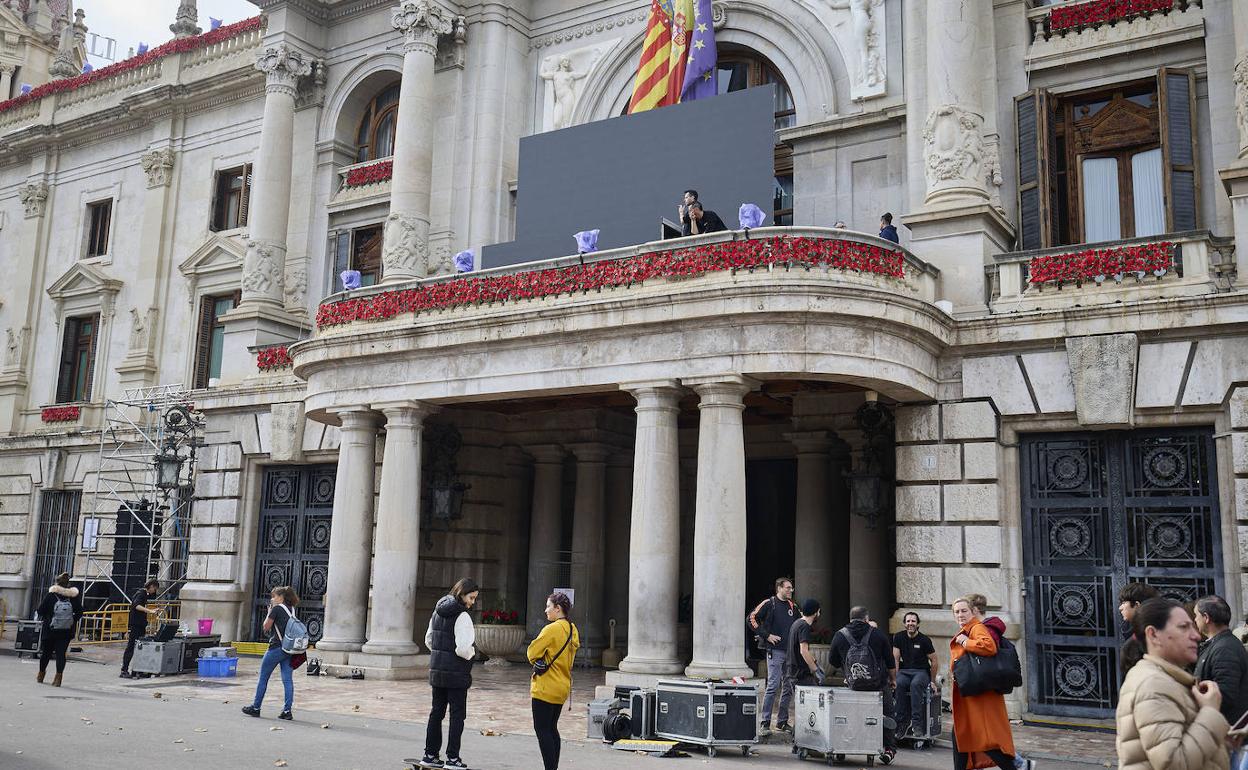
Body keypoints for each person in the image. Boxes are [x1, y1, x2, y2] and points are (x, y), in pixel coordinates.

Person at [1117, 597, 1230, 770]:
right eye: (1184, 627)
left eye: (1192, 626)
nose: (1196, 635)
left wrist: (1222, 740)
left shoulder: (1167, 679)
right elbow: (1175, 763)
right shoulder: (1153, 685)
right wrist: (1210, 712)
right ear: (1153, 635)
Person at [949, 596, 1031, 770]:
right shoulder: (967, 629)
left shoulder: (976, 628)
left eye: (964, 611)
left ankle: (1015, 767)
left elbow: (989, 646)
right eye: (957, 612)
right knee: (960, 735)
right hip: (970, 695)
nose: (960, 614)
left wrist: (966, 642)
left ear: (973, 612)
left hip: (979, 696)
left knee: (986, 739)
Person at [419, 578, 480, 770]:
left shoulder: (438, 611)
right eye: (471, 597)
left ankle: (430, 755)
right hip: (456, 673)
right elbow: (463, 648)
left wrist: (440, 654)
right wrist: (472, 654)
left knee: (436, 713)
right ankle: (453, 758)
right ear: (462, 594)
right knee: (457, 716)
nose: (472, 602)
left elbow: (429, 639)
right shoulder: (462, 616)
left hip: (437, 671)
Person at [829, 606, 897, 762]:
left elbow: (832, 661)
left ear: (850, 619)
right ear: (867, 619)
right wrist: (893, 680)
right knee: (888, 714)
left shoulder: (840, 635)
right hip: (878, 686)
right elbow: (890, 661)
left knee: (849, 716)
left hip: (854, 686)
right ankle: (889, 749)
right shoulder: (878, 635)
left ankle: (844, 746)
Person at [528, 592, 580, 770]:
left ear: (558, 609)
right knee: (552, 729)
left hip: (545, 686)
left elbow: (532, 652)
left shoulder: (552, 629)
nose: (546, 610)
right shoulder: (572, 629)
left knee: (542, 730)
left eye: (549, 606)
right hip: (562, 686)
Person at [747, 576, 799, 733]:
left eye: (791, 588)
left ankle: (782, 721)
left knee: (788, 686)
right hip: (775, 651)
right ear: (779, 588)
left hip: (789, 653)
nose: (790, 590)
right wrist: (766, 635)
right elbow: (751, 618)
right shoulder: (770, 603)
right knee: (773, 685)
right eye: (788, 587)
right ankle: (765, 722)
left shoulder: (793, 606)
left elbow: (799, 624)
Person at [241, 585, 299, 720]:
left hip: (275, 648)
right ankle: (287, 711)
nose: (272, 599)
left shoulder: (277, 609)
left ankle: (256, 707)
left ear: (281, 597)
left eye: (274, 596)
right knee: (287, 680)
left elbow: (266, 627)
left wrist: (269, 612)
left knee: (263, 678)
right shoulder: (292, 610)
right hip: (288, 649)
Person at [1194, 594, 1248, 726]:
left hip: (1227, 731)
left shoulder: (1225, 648)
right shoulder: (1220, 644)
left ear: (1206, 618)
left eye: (1196, 615)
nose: (1195, 620)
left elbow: (1225, 696)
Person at [892, 611, 938, 739]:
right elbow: (895, 659)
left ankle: (916, 723)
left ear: (918, 624)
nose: (910, 623)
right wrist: (894, 678)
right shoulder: (898, 637)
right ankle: (901, 723)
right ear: (904, 624)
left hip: (921, 672)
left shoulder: (924, 640)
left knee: (916, 684)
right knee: (900, 684)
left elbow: (934, 660)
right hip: (904, 672)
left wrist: (932, 681)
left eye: (913, 621)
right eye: (908, 621)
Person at [35, 572, 82, 687]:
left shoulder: (51, 595)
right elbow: (80, 612)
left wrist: (49, 616)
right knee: (61, 654)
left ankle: (41, 675)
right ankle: (58, 678)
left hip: (50, 629)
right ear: (68, 584)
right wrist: (71, 620)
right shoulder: (73, 597)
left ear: (57, 583)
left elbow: (40, 611)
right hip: (66, 631)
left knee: (46, 653)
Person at [120, 579, 159, 678]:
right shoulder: (141, 594)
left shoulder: (145, 595)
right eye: (155, 588)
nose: (154, 591)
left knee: (139, 647)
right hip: (136, 624)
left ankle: (137, 670)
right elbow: (136, 606)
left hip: (140, 624)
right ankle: (124, 670)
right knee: (131, 646)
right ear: (151, 586)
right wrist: (149, 611)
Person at [1120, 583, 1160, 677]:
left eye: (1123, 603)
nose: (1120, 608)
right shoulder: (1132, 630)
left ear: (1137, 605)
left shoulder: (1144, 636)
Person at [786, 598, 824, 686]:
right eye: (819, 610)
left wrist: (815, 662)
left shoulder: (797, 623)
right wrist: (816, 670)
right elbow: (803, 651)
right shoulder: (804, 626)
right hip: (801, 674)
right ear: (815, 613)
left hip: (792, 671)